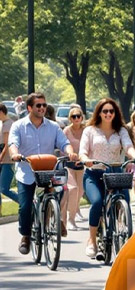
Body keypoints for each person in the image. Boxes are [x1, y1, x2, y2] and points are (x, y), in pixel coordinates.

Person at [6, 92, 75, 253]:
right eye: (38, 105)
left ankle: (55, 218)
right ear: (30, 107)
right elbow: (13, 143)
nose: (42, 108)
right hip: (27, 172)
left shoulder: (53, 126)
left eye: (44, 105)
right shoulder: (19, 125)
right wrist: (15, 154)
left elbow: (64, 143)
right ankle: (25, 236)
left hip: (48, 172)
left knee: (61, 191)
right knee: (25, 207)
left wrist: (70, 152)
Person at [80, 98, 135, 258]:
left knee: (124, 200)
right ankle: (92, 241)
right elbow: (83, 150)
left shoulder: (120, 130)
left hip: (115, 172)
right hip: (94, 173)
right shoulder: (90, 130)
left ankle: (121, 231)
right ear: (99, 113)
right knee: (97, 201)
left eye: (111, 111)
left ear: (115, 113)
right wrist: (86, 159)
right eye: (105, 111)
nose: (108, 114)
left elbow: (128, 146)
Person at [63, 104, 86, 229]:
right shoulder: (66, 130)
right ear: (70, 118)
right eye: (74, 116)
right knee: (73, 189)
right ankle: (71, 219)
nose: (76, 118)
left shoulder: (86, 130)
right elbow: (63, 145)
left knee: (81, 190)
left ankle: (75, 209)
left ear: (82, 117)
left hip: (82, 164)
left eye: (78, 116)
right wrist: (69, 154)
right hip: (69, 163)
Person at [0, 103, 19, 204]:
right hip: (3, 160)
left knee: (4, 189)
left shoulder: (8, 124)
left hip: (7, 160)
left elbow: (7, 145)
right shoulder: (4, 123)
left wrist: (1, 157)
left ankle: (27, 203)